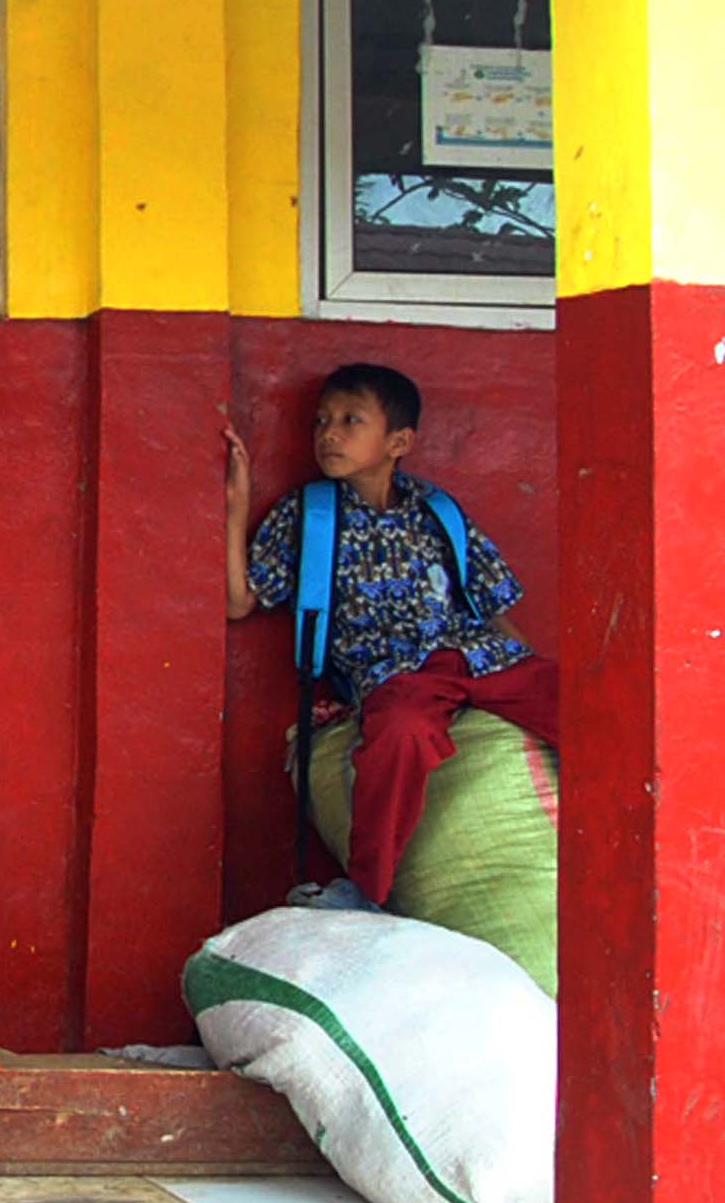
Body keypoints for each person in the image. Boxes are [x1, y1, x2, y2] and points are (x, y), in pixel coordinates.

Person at [224, 362, 559, 911]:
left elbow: (492, 606)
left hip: (479, 657)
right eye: (320, 421)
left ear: (399, 441)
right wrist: (237, 505)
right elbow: (240, 602)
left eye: (351, 420)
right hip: (393, 672)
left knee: (581, 704)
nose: (328, 433)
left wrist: (531, 674)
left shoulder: (438, 510)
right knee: (399, 736)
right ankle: (368, 892)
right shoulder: (308, 513)